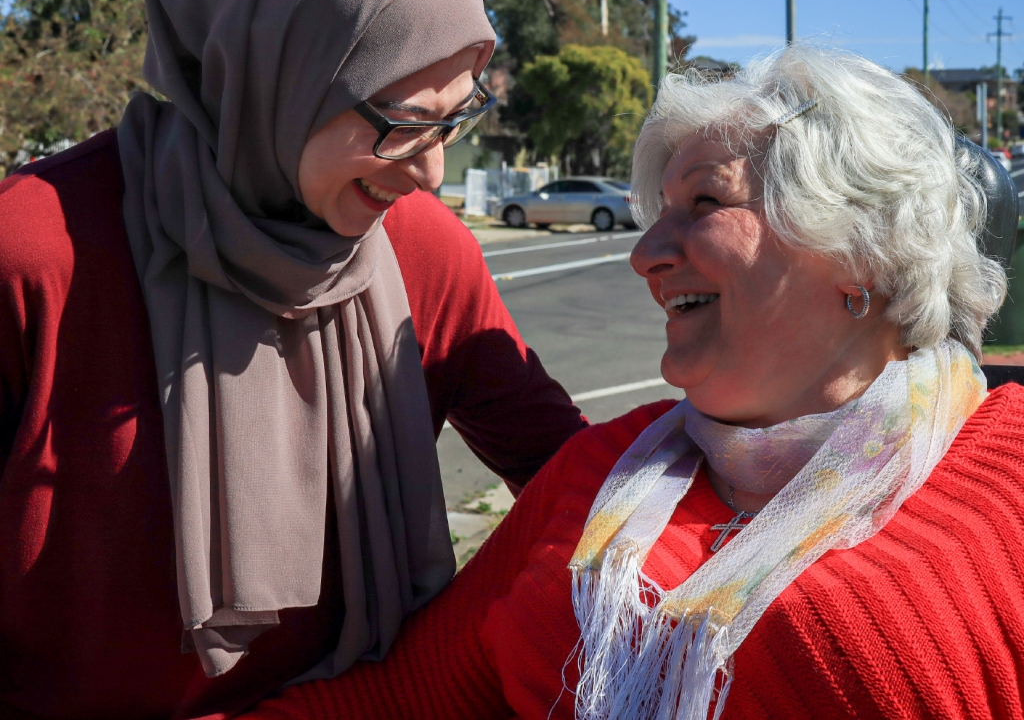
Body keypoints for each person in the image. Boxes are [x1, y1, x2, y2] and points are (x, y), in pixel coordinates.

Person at [242, 45, 1024, 720]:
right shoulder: (605, 470)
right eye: (658, 213)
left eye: (705, 203)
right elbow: (403, 699)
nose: (646, 252)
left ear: (860, 251)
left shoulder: (1006, 472)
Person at [0, 0, 586, 719]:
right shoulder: (37, 253)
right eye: (400, 123)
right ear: (273, 73)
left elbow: (581, 487)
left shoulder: (426, 252)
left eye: (456, 116)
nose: (432, 170)